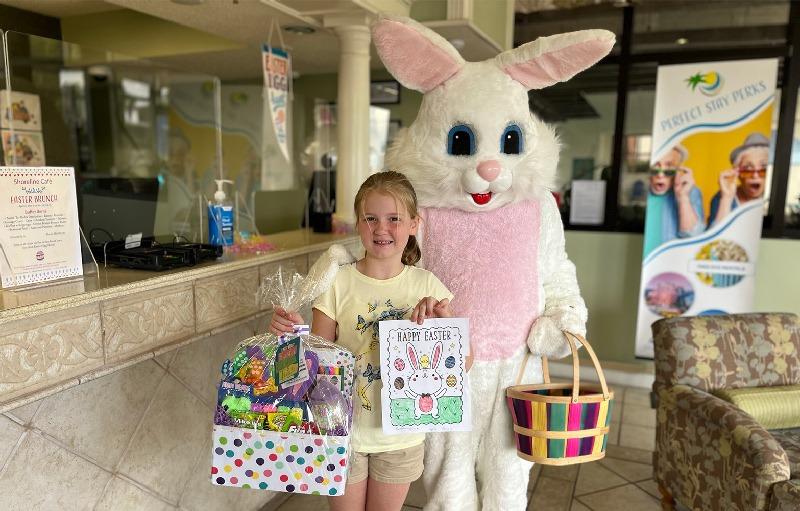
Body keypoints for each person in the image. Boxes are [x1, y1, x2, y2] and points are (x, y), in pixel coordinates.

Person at [270, 171, 463, 511]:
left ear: (414, 224)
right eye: (370, 218)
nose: (381, 228)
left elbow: (464, 364)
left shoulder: (428, 286)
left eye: (394, 219)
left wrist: (445, 330)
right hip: (342, 429)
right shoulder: (337, 282)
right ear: (358, 224)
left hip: (401, 435)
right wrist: (293, 337)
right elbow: (316, 362)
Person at [643, 144, 705, 257]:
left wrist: (683, 197)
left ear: (679, 171)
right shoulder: (642, 193)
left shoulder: (691, 192)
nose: (660, 175)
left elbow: (694, 237)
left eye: (669, 169)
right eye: (655, 168)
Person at [707, 132, 769, 228]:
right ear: (737, 172)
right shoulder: (721, 197)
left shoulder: (774, 199)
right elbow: (715, 239)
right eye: (747, 169)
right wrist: (726, 198)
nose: (755, 175)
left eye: (763, 168)